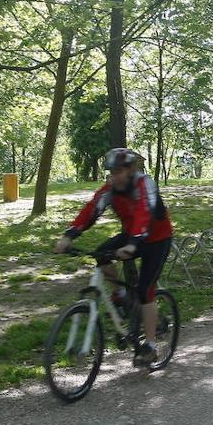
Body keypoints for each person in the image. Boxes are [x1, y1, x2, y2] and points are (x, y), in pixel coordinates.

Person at [54, 148, 174, 366]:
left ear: (131, 170)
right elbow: (92, 209)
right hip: (131, 236)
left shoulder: (144, 184)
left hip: (157, 239)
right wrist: (69, 235)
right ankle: (120, 295)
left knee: (146, 289)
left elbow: (144, 212)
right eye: (111, 172)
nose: (114, 176)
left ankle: (150, 346)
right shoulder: (110, 188)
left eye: (119, 171)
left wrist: (132, 244)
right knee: (101, 255)